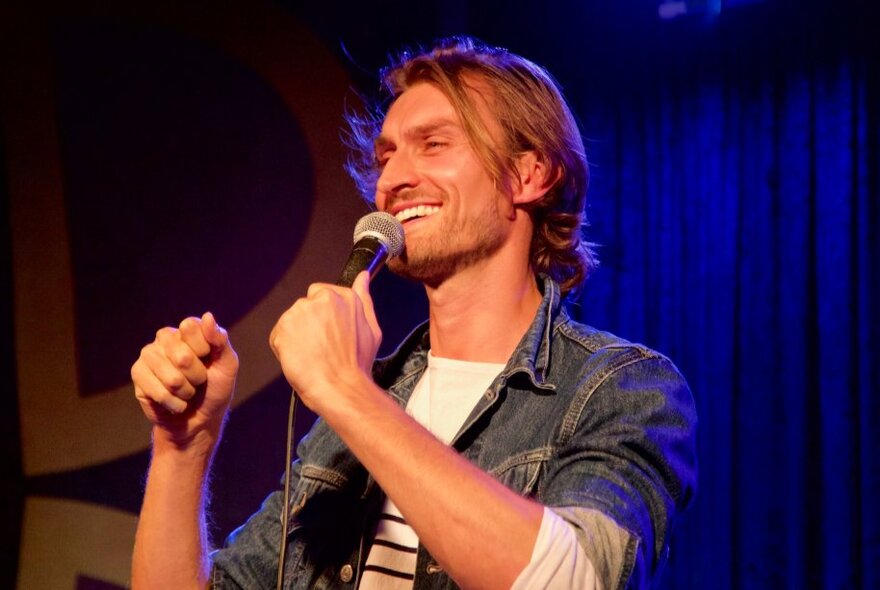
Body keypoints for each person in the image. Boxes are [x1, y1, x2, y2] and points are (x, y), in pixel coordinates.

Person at [130, 37, 697, 589]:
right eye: (387, 155)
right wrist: (184, 446)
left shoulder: (618, 388)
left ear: (530, 175)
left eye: (433, 144)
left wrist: (347, 392)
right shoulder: (363, 407)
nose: (392, 180)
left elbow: (578, 580)